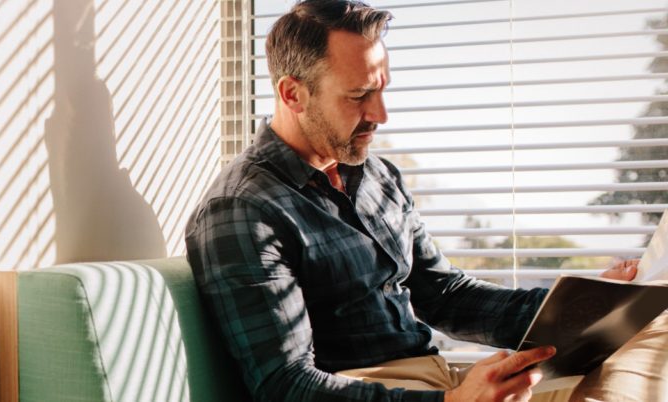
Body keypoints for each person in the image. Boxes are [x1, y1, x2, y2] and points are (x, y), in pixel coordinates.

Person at [185, 1, 668, 401]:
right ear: (293, 94)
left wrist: (584, 305)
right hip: (382, 390)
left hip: (438, 382)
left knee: (651, 333)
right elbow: (285, 386)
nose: (381, 114)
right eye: (359, 96)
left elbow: (446, 296)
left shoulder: (374, 174)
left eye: (382, 89)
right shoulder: (244, 209)